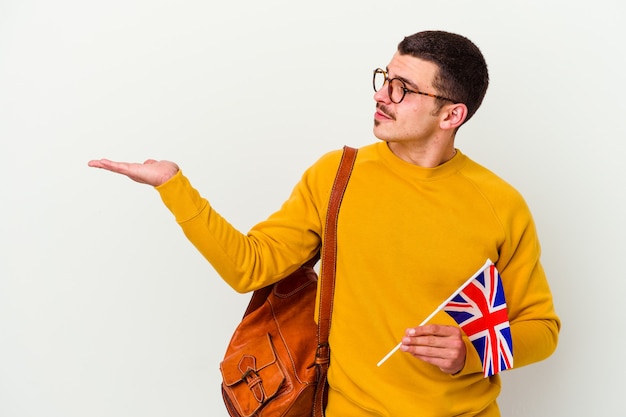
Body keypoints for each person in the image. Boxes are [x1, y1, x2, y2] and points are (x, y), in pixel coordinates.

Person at [88, 30, 560, 416]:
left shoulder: (500, 203)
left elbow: (541, 328)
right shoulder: (339, 175)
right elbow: (247, 268)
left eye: (404, 88)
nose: (382, 95)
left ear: (452, 114)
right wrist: (173, 185)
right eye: (385, 77)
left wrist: (473, 352)